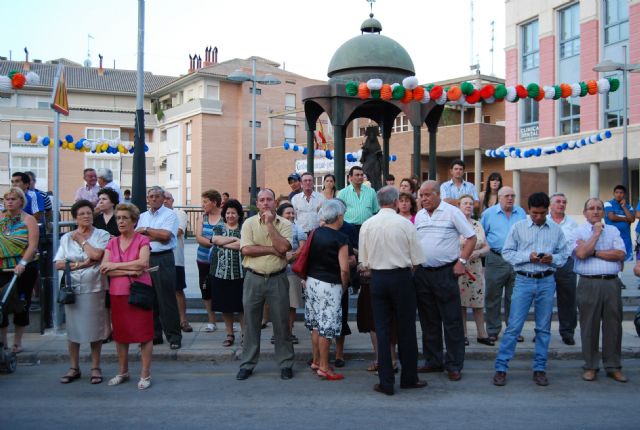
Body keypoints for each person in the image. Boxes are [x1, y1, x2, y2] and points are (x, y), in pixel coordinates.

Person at [492, 192, 570, 387]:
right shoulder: (518, 228)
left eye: (542, 213)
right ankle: (501, 368)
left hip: (546, 280)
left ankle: (540, 368)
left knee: (543, 328)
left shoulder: (556, 230)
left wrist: (552, 259)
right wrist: (528, 257)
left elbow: (564, 255)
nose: (538, 217)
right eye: (535, 213)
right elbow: (507, 253)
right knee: (513, 327)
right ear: (528, 210)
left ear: (547, 211)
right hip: (524, 280)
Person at [360, 186, 426, 395]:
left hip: (378, 279)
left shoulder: (368, 225)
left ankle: (386, 381)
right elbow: (417, 259)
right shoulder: (405, 224)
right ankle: (409, 377)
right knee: (406, 329)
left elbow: (365, 261)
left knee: (382, 329)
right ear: (396, 201)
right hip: (401, 277)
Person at [414, 180, 476, 381]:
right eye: (421, 195)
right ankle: (433, 361)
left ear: (438, 194)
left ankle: (454, 364)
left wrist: (462, 262)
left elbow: (471, 237)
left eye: (427, 194)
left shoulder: (452, 212)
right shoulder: (420, 216)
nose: (423, 198)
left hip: (446, 272)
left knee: (451, 320)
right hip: (423, 273)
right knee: (428, 320)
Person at [236, 189, 294, 381]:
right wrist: (272, 249)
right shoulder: (249, 223)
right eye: (262, 200)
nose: (265, 203)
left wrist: (269, 224)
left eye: (269, 199)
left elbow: (284, 248)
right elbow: (246, 250)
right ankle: (248, 363)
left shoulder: (285, 224)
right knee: (251, 323)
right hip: (254, 277)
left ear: (275, 202)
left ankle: (285, 363)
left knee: (281, 323)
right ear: (257, 203)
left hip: (278, 278)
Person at [54, 199, 110, 385]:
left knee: (95, 329)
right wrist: (79, 264)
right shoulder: (66, 237)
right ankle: (74, 367)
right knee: (73, 329)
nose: (86, 216)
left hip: (94, 286)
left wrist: (81, 240)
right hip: (72, 288)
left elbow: (96, 256)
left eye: (88, 213)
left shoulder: (102, 234)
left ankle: (95, 367)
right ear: (75, 218)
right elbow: (58, 263)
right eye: (81, 214)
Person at [572, 198, 627, 383]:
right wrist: (595, 235)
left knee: (613, 326)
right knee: (589, 326)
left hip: (611, 284)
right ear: (585, 212)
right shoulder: (577, 231)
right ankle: (590, 366)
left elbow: (620, 254)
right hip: (589, 283)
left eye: (599, 208)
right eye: (591, 208)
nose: (595, 211)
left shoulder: (613, 230)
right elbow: (580, 254)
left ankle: (613, 366)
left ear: (603, 212)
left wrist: (593, 252)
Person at [100, 203, 154, 390]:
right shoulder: (112, 242)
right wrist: (128, 269)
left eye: (125, 218)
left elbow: (143, 263)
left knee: (144, 334)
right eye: (118, 218)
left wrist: (116, 266)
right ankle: (123, 371)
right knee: (121, 335)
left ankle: (145, 373)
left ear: (134, 221)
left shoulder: (142, 240)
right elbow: (104, 268)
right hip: (118, 292)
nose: (121, 221)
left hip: (139, 291)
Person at [305, 199, 350, 380]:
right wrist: (344, 285)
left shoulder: (315, 233)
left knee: (315, 325)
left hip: (312, 282)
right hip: (330, 285)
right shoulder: (341, 238)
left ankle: (316, 360)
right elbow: (345, 269)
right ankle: (324, 367)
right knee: (327, 327)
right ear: (339, 216)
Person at [136, 186, 182, 349]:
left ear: (163, 198)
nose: (153, 199)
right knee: (150, 298)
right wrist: (153, 235)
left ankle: (174, 336)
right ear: (147, 199)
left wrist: (146, 231)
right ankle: (155, 335)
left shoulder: (170, 215)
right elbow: (138, 238)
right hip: (146, 258)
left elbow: (166, 236)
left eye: (157, 196)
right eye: (151, 196)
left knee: (166, 299)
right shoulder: (142, 216)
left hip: (163, 259)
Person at [481, 186, 527, 342]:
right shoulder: (488, 214)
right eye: (507, 195)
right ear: (499, 197)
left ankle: (513, 330)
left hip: (516, 258)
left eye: (513, 196)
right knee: (493, 295)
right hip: (496, 258)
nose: (510, 199)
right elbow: (482, 236)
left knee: (514, 297)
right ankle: (493, 330)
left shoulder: (521, 212)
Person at [0, 188, 39, 354]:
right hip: (2, 266)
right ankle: (3, 342)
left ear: (21, 201)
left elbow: (32, 245)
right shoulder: (1, 218)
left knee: (21, 303)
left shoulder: (28, 219)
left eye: (13, 199)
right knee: (1, 304)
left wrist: (23, 262)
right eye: (6, 199)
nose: (9, 201)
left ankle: (17, 342)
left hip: (23, 267)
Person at [457, 195, 493, 346]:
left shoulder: (477, 224)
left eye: (471, 204)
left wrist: (479, 252)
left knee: (478, 302)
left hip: (476, 267)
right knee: (461, 303)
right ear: (459, 206)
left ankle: (481, 333)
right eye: (465, 203)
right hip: (460, 267)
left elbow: (487, 246)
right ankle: (463, 334)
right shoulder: (455, 224)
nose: (468, 206)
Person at [210, 199, 245, 347]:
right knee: (225, 306)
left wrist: (226, 243)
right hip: (220, 274)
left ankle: (245, 334)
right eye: (228, 213)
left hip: (241, 274)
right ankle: (229, 334)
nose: (231, 215)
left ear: (238, 215)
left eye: (234, 213)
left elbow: (244, 244)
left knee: (242, 306)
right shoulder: (219, 227)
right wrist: (233, 239)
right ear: (224, 214)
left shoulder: (244, 228)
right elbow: (215, 240)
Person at [547, 193, 579, 345]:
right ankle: (542, 331)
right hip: (546, 264)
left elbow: (575, 244)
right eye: (558, 202)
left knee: (568, 300)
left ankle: (567, 332)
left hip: (566, 264)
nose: (561, 204)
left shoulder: (572, 224)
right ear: (550, 205)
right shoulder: (543, 221)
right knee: (544, 300)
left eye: (564, 202)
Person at [195, 189, 224, 333]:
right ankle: (211, 321)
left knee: (223, 289)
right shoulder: (202, 217)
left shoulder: (225, 217)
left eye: (205, 202)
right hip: (203, 260)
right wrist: (215, 242)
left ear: (214, 202)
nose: (203, 205)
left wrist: (216, 243)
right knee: (205, 289)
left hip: (221, 261)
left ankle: (227, 321)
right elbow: (198, 237)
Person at [277, 203, 306, 344]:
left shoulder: (298, 228)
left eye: (292, 213)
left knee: (292, 304)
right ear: (281, 215)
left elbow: (302, 247)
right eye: (288, 213)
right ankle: (278, 332)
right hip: (276, 270)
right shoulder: (275, 228)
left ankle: (289, 331)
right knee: (278, 304)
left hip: (292, 271)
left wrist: (291, 256)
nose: (291, 215)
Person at [164, 191, 192, 333]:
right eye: (163, 198)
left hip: (176, 259)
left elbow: (178, 231)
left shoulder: (179, 214)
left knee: (178, 290)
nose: (165, 201)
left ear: (172, 200)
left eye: (168, 198)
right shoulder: (152, 215)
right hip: (157, 258)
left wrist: (155, 232)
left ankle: (183, 320)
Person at [337, 166, 379, 236]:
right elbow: (338, 213)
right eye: (357, 175)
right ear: (350, 177)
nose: (360, 177)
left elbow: (375, 211)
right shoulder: (342, 193)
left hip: (368, 228)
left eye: (362, 175)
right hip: (349, 228)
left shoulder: (371, 192)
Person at [603, 185, 634, 261]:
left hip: (625, 238)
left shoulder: (629, 207)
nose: (619, 194)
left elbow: (632, 219)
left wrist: (624, 207)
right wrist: (625, 219)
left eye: (621, 193)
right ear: (614, 193)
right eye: (616, 192)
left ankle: (620, 273)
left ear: (624, 194)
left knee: (624, 260)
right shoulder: (608, 203)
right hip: (611, 237)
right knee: (612, 258)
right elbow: (611, 217)